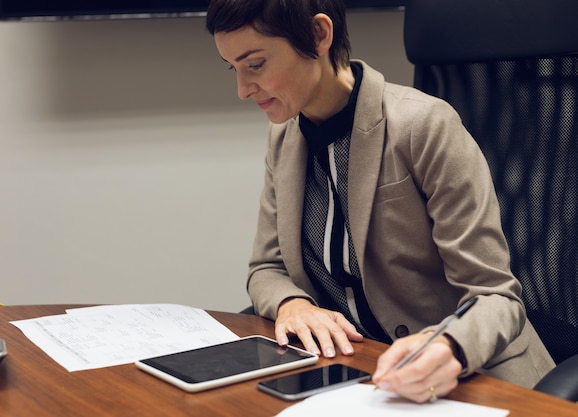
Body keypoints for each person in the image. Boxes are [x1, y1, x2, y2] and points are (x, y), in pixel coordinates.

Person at [206, 0, 555, 403]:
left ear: (319, 35)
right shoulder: (285, 136)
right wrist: (293, 304)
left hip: (472, 378)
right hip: (359, 378)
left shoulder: (424, 125)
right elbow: (267, 267)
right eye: (233, 68)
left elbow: (496, 297)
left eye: (256, 64)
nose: (242, 89)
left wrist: (448, 347)